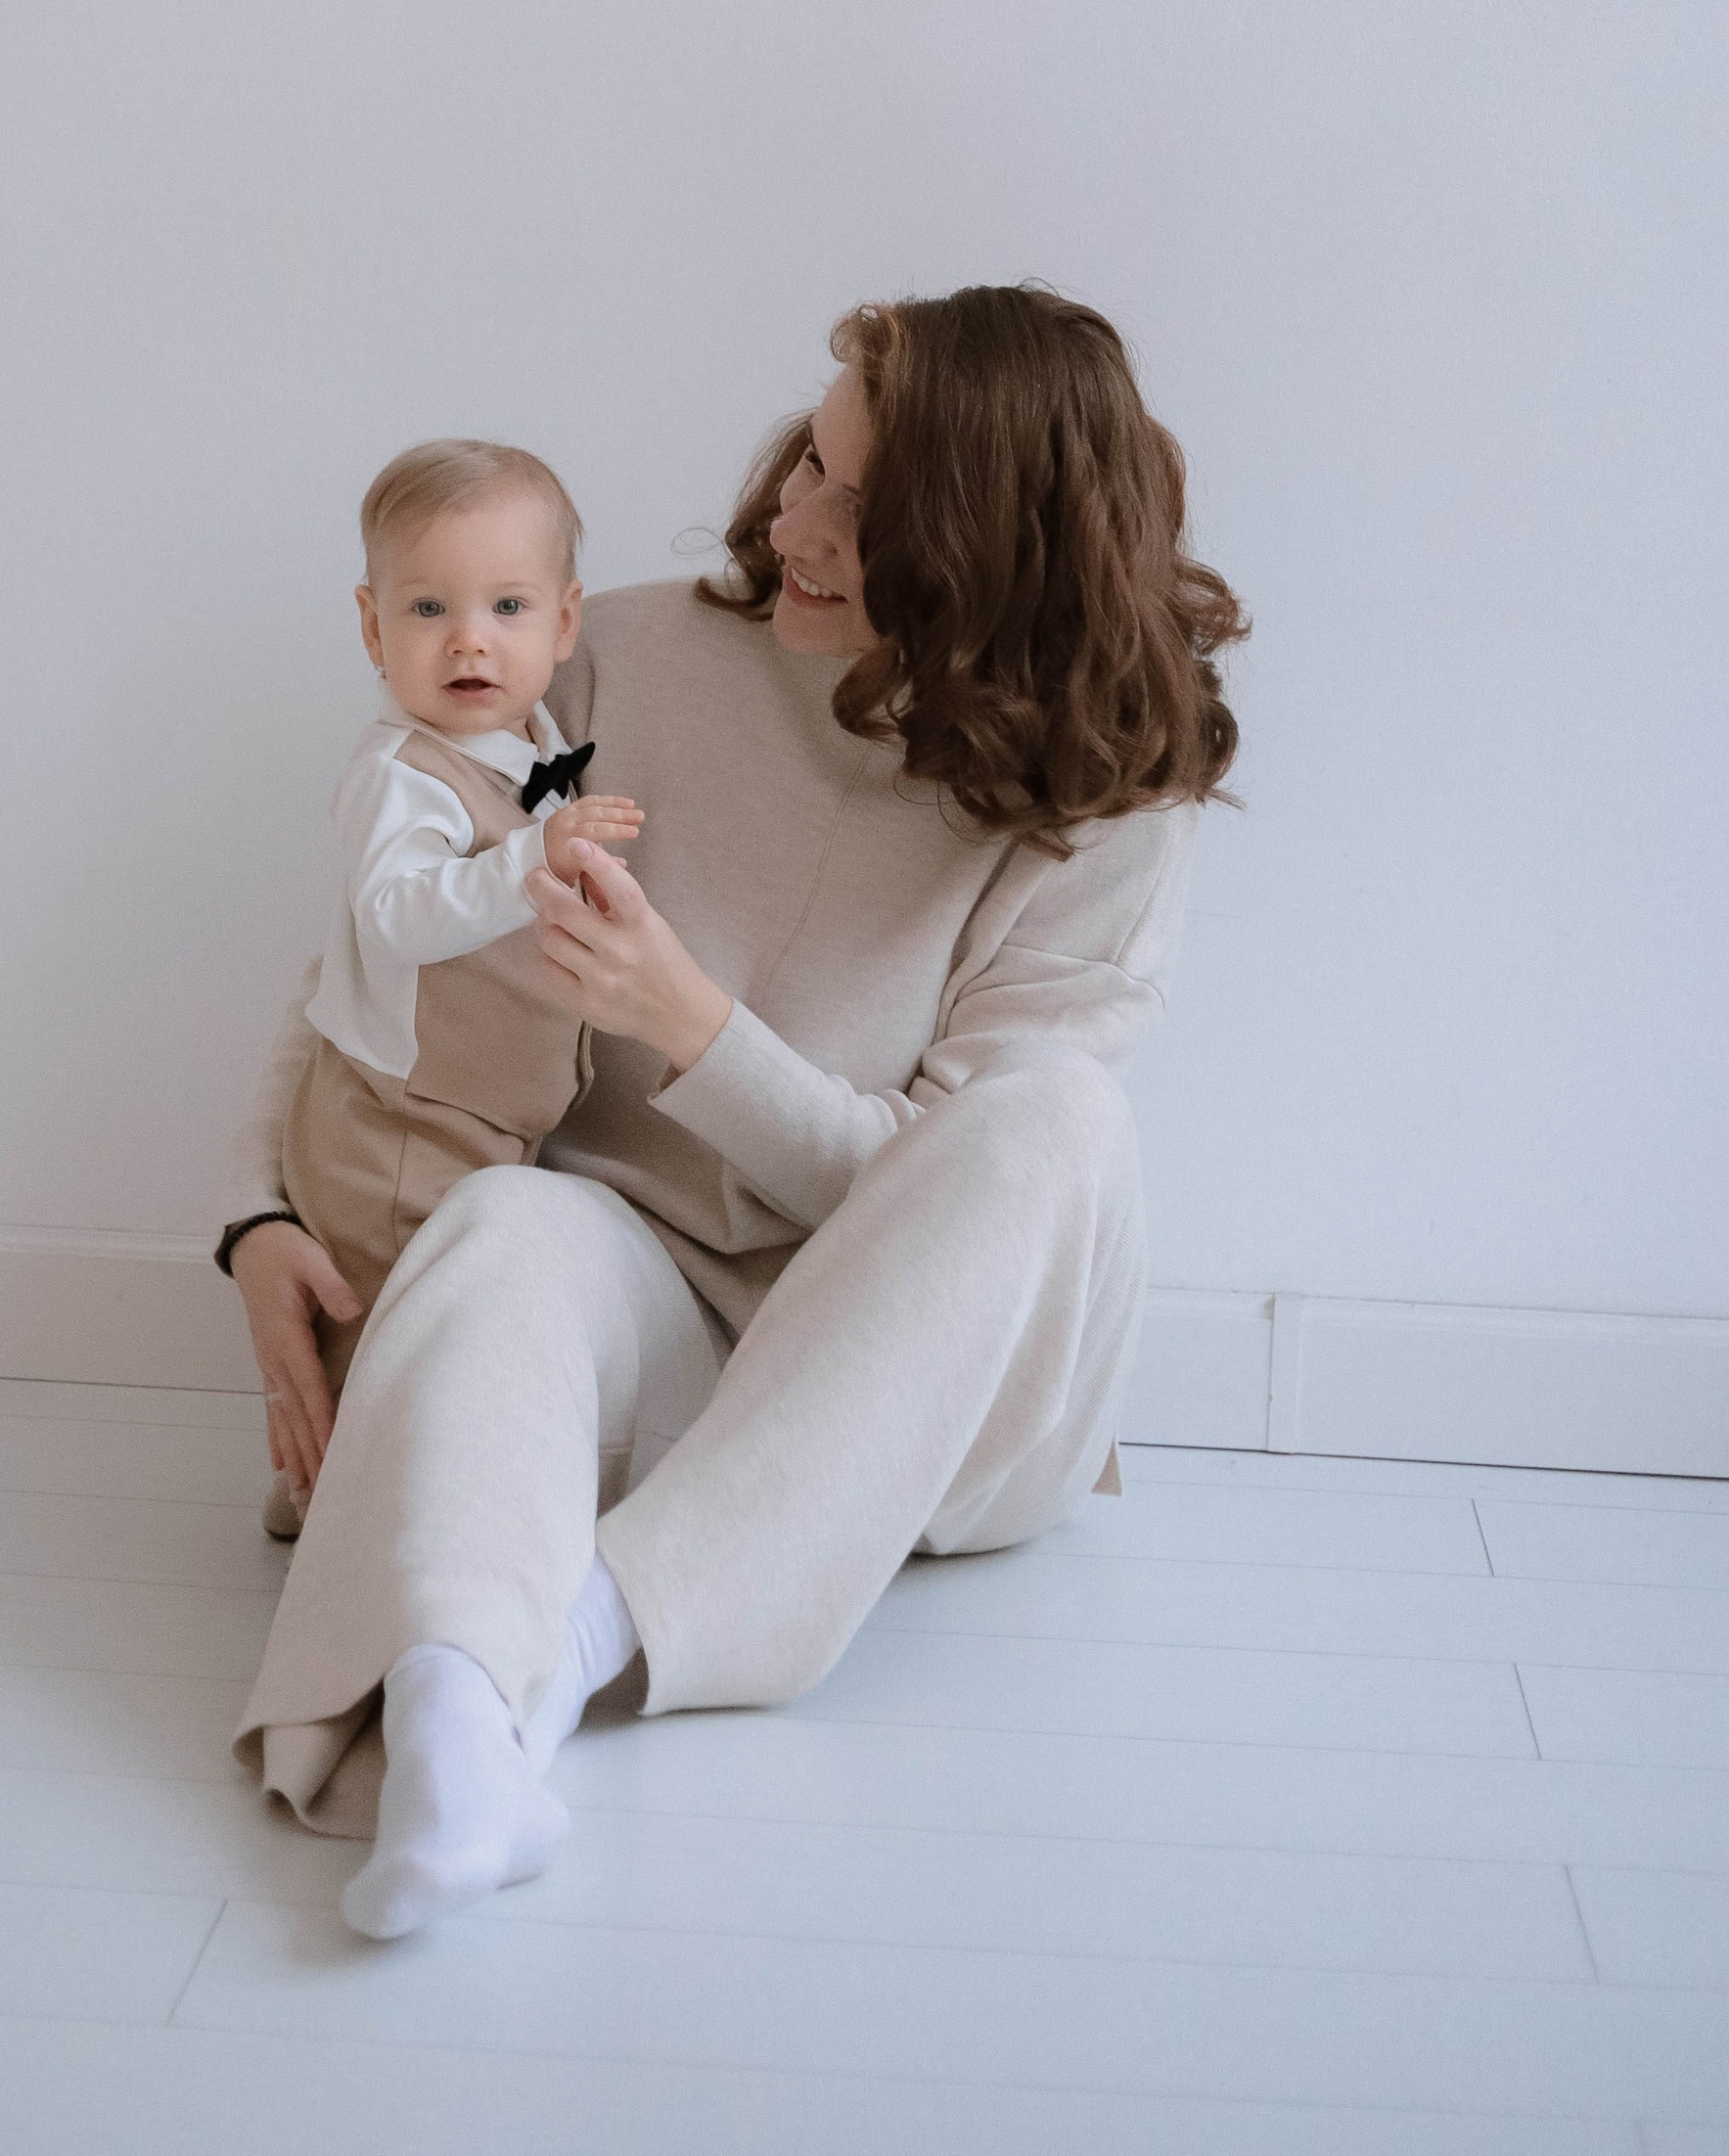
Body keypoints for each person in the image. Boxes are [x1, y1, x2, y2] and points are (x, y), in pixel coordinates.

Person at [218, 287, 1246, 1942]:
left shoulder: (1116, 796)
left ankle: (578, 1647)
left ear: (984, 550)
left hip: (949, 1409)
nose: (792, 519)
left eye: (858, 502)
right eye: (809, 462)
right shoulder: (617, 648)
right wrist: (254, 1211)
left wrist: (685, 1022)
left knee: (1056, 1120)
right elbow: (390, 929)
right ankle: (458, 1715)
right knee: (508, 1220)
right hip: (675, 1332)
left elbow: (943, 1209)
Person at [221, 440, 644, 1526]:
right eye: (426, 609)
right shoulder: (398, 775)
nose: (469, 638)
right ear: (372, 627)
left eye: (507, 605)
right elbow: (398, 913)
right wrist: (530, 861)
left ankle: (365, 1481)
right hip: (400, 1121)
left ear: (562, 623)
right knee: (387, 1307)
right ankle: (339, 1498)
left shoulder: (531, 741)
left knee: (448, 1305)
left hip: (487, 1110)